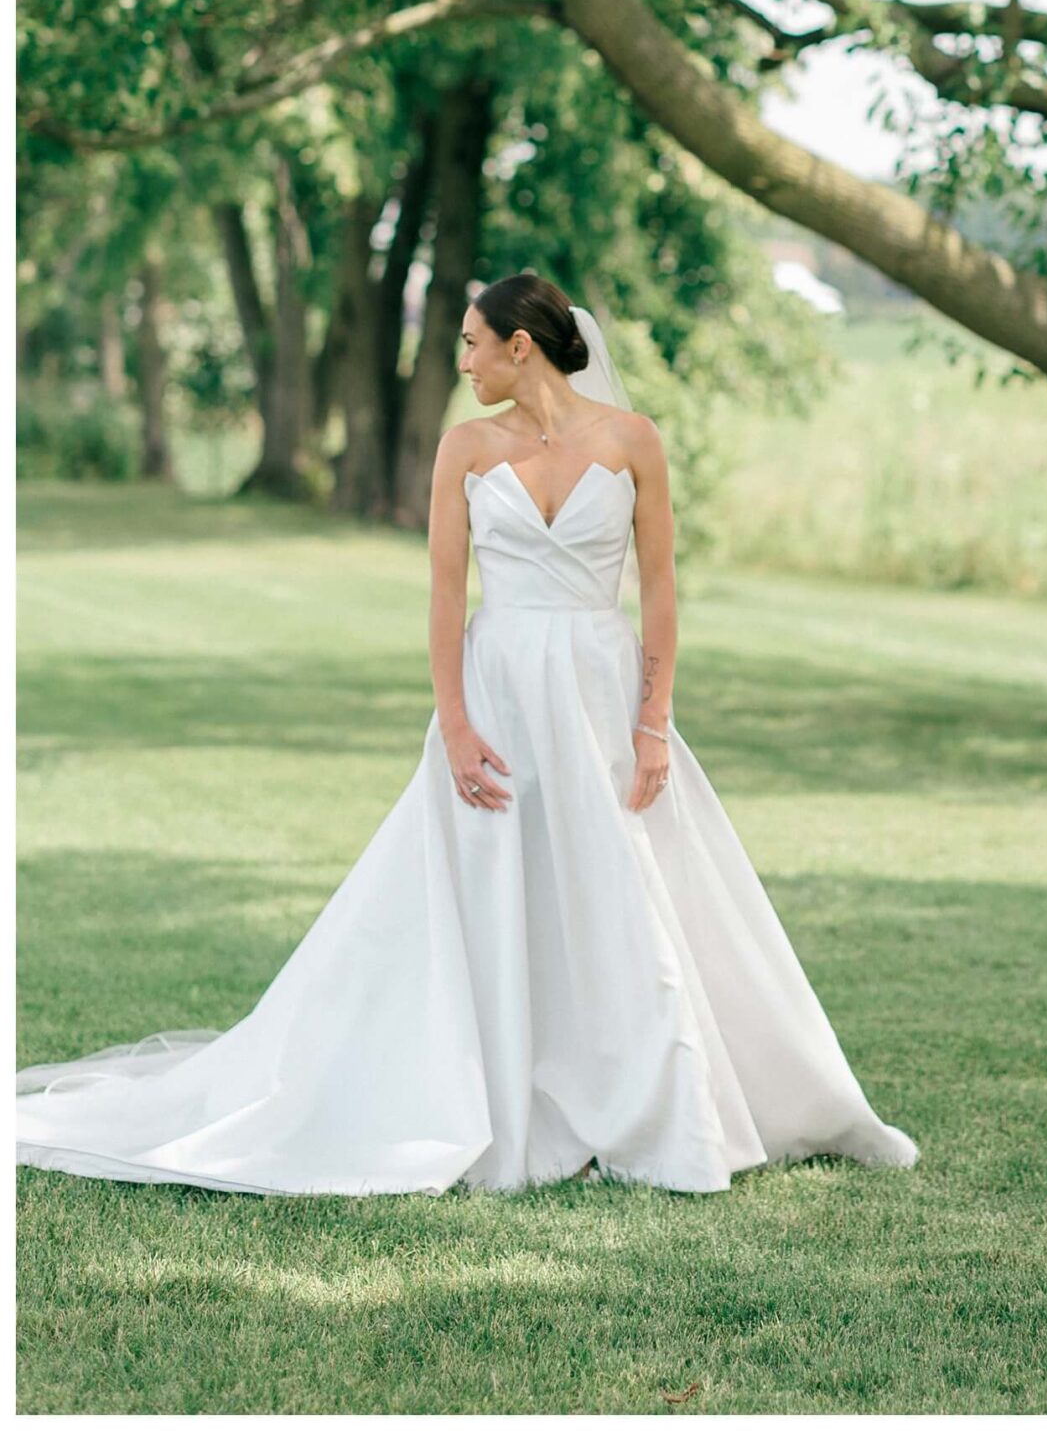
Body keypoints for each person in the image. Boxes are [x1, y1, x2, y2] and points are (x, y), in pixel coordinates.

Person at [17, 273, 917, 1196]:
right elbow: (447, 598)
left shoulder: (633, 442)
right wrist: (454, 724)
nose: (462, 361)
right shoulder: (465, 449)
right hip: (498, 694)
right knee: (498, 889)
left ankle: (658, 1103)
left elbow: (661, 595)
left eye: (471, 343)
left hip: (602, 694)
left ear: (519, 345)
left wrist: (654, 724)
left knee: (631, 894)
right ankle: (506, 1092)